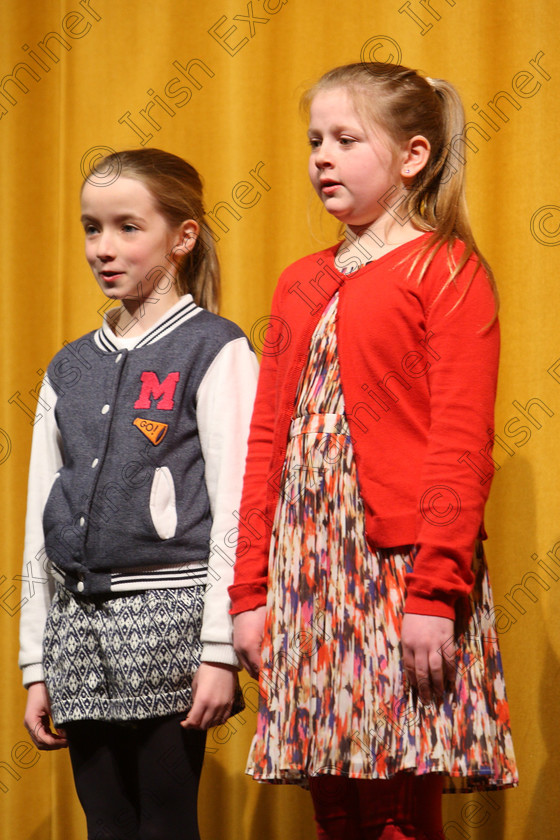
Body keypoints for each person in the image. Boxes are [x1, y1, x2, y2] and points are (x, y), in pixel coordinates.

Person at [230, 62, 518, 840]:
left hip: (398, 570)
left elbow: (461, 442)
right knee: (332, 796)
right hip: (307, 570)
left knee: (398, 800)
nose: (321, 155)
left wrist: (434, 593)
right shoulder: (300, 282)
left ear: (413, 156)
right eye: (315, 139)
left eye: (346, 140)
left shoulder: (445, 268)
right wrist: (248, 592)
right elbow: (266, 444)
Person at [19, 148, 259, 840]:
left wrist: (217, 648)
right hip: (79, 628)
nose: (104, 247)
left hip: (171, 618)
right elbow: (43, 517)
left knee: (164, 820)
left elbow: (237, 503)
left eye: (128, 227)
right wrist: (37, 662)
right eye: (92, 229)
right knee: (107, 823)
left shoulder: (213, 348)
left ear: (182, 238)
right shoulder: (69, 366)